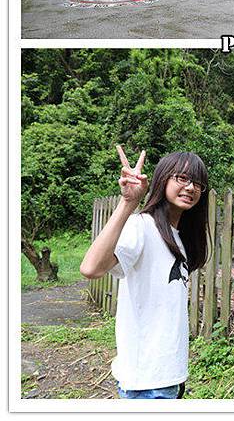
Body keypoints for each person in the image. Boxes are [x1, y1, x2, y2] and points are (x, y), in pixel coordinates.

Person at [80, 147, 211, 399]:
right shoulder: (141, 227)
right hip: (147, 382)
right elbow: (91, 268)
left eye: (197, 183)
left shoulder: (179, 238)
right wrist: (128, 203)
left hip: (170, 376)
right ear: (163, 180)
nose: (191, 187)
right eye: (182, 178)